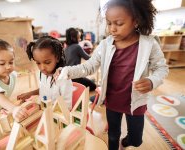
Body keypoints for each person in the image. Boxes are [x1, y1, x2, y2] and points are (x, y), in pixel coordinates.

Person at [55, 0, 169, 149]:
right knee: (113, 135)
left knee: (136, 140)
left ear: (136, 21)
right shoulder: (105, 45)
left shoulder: (149, 44)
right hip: (113, 100)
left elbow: (162, 68)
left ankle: (126, 141)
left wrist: (152, 81)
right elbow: (89, 67)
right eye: (109, 23)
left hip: (136, 102)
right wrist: (67, 71)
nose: (112, 29)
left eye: (119, 23)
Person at [17, 36, 73, 110]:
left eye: (47, 62)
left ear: (57, 58)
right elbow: (44, 89)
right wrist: (30, 94)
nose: (42, 68)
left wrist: (48, 109)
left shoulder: (63, 79)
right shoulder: (43, 74)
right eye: (38, 63)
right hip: (43, 110)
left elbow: (67, 106)